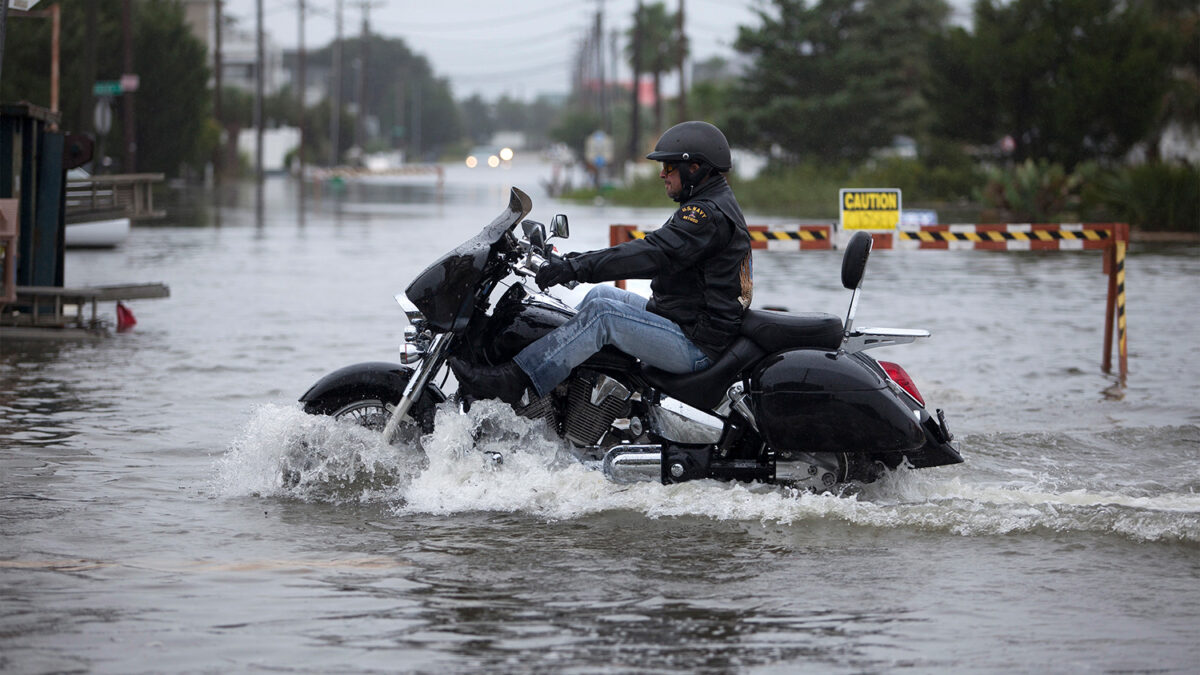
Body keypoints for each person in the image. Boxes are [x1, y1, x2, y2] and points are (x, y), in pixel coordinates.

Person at [450, 120, 753, 405]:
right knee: (599, 296)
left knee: (603, 314)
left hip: (696, 344)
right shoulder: (710, 204)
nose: (663, 174)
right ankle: (573, 393)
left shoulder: (705, 216)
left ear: (696, 168)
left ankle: (516, 380)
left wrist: (575, 268)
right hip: (683, 320)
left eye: (669, 166)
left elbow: (650, 253)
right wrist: (568, 261)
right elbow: (650, 251)